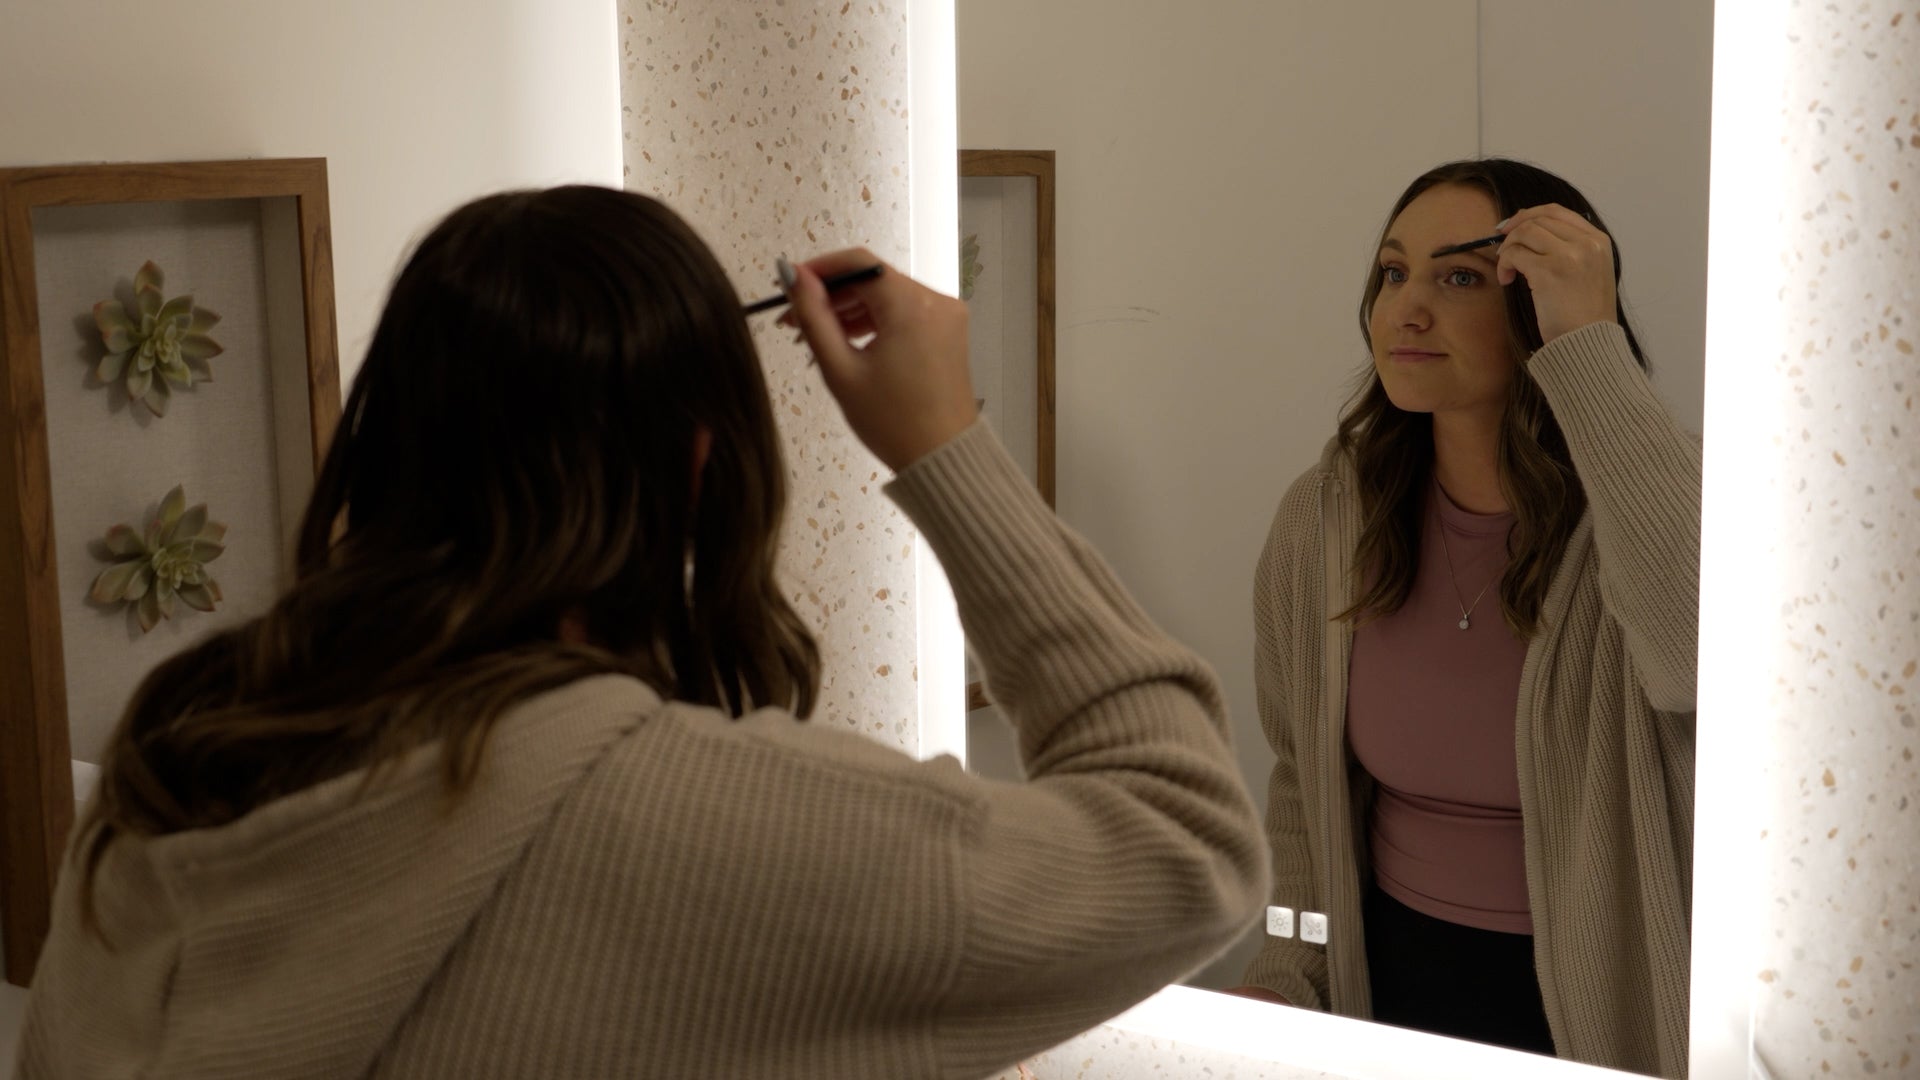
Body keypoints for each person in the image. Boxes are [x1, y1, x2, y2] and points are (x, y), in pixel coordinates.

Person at [13, 187, 1268, 1079]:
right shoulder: (698, 825)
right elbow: (1190, 838)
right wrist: (948, 445)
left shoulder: (181, 754)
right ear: (702, 461)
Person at [1232, 159, 1698, 1079]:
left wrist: (1588, 343)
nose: (1406, 310)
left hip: (1609, 1009)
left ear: (1541, 308)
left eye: (1458, 278)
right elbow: (1301, 788)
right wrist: (1289, 964)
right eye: (1393, 273)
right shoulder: (1327, 517)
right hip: (1389, 992)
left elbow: (1696, 656)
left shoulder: (1650, 507)